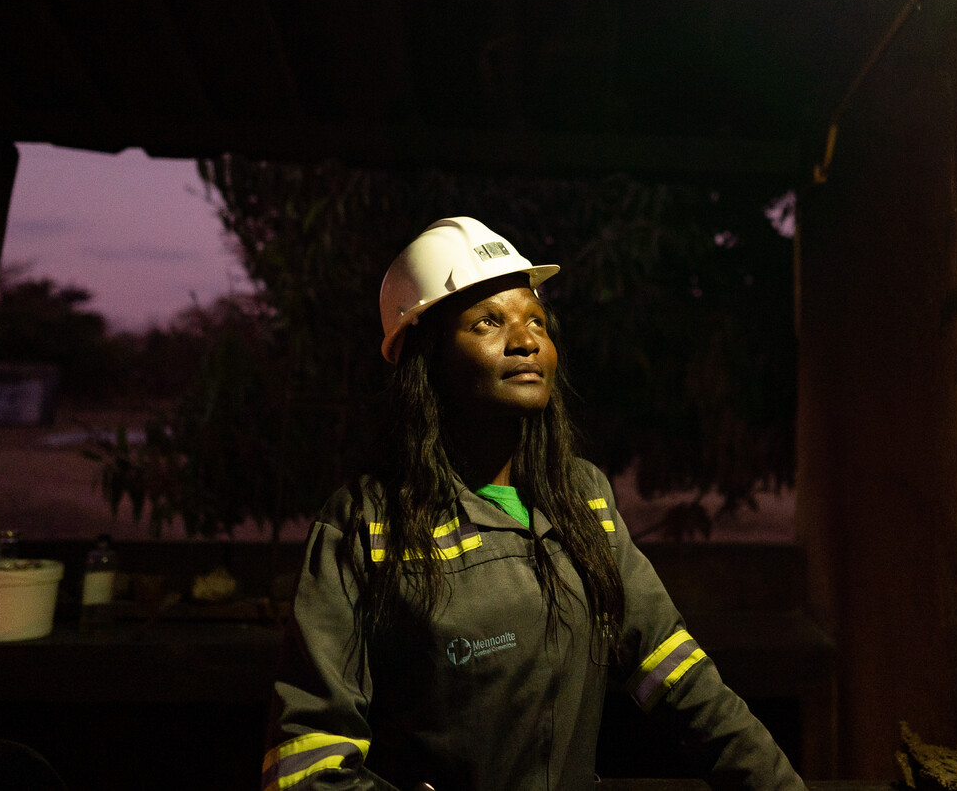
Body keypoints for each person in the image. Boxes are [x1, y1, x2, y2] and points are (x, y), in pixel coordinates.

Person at [263, 217, 804, 791]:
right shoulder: (367, 524)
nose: (526, 341)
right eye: (488, 322)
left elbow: (681, 681)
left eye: (536, 321)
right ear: (428, 357)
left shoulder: (582, 500)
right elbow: (306, 767)